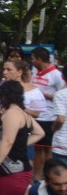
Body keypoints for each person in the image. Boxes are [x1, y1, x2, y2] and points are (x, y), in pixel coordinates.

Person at [30, 47, 64, 180]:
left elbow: (62, 95)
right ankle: (37, 179)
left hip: (49, 117)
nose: (32, 61)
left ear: (39, 59)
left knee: (47, 149)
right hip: (36, 116)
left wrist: (45, 96)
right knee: (38, 150)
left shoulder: (55, 74)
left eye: (33, 58)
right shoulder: (35, 72)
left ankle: (49, 177)